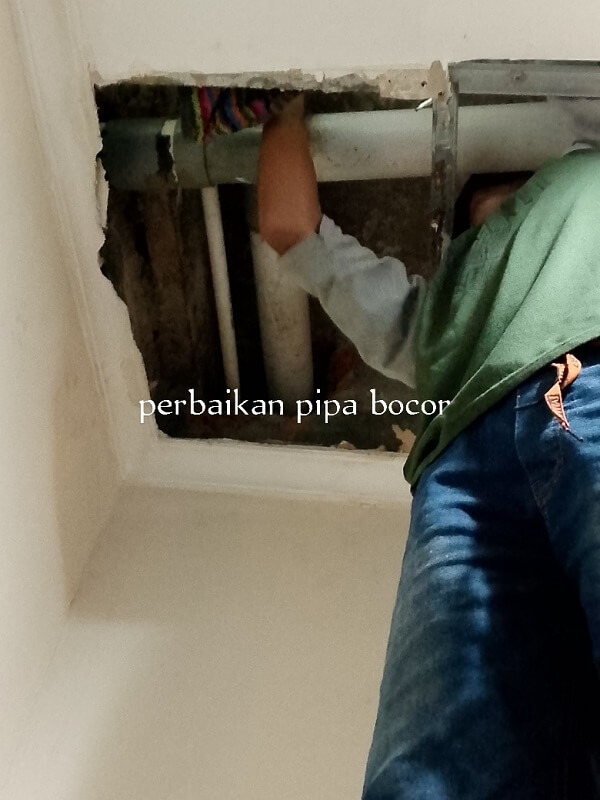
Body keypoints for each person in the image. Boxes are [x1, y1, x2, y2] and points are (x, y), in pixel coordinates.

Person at [257, 95, 600, 799]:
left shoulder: (585, 179)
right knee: (423, 780)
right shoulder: (434, 311)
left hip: (554, 404)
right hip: (461, 476)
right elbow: (292, 229)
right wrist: (280, 107)